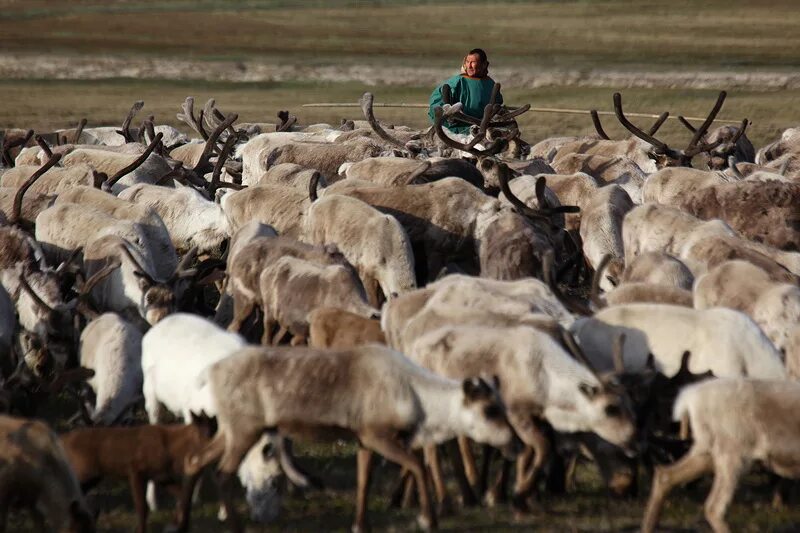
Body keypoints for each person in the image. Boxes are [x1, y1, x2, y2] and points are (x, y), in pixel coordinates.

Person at [428, 48, 504, 135]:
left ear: (484, 65)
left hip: (484, 130)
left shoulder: (491, 84)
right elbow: (437, 101)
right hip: (456, 131)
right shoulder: (458, 81)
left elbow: (497, 106)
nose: (469, 66)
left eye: (473, 62)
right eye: (467, 62)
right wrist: (449, 116)